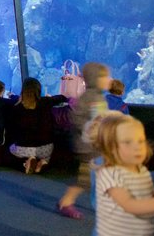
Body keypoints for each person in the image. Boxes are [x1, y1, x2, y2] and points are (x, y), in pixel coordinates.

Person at [92, 112, 154, 235]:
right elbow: (128, 205)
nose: (138, 147)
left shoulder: (139, 169)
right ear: (110, 148)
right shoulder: (110, 174)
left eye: (141, 141)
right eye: (127, 142)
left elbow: (153, 180)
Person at [58, 61, 112, 219]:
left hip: (97, 146)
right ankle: (66, 202)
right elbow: (76, 118)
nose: (109, 80)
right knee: (85, 180)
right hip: (87, 147)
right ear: (95, 79)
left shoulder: (99, 97)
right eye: (105, 77)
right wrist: (91, 130)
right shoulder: (88, 97)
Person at [9, 77, 67, 174]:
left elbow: (13, 129)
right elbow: (61, 97)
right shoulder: (45, 101)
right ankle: (43, 162)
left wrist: (13, 97)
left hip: (24, 148)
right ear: (38, 89)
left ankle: (26, 162)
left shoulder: (17, 108)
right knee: (50, 152)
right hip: (45, 149)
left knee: (10, 149)